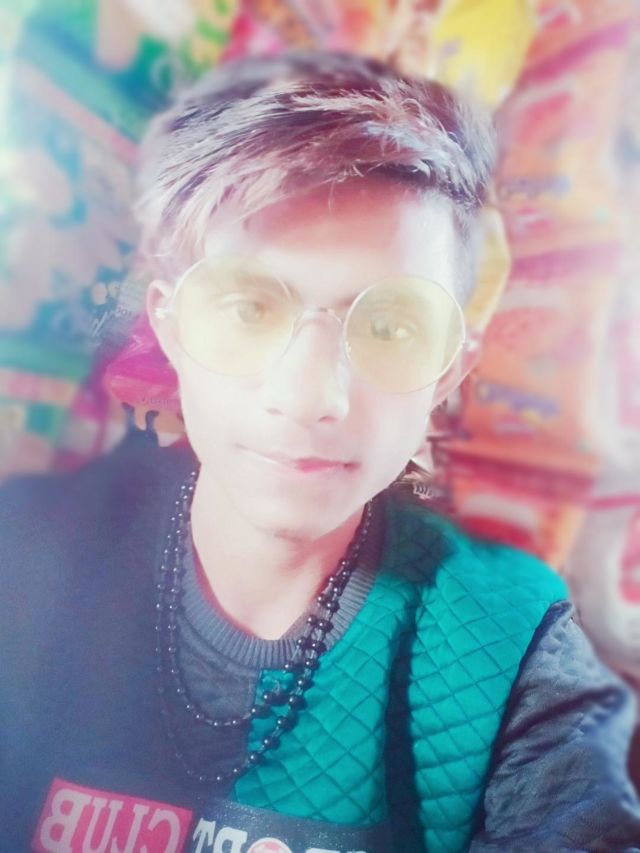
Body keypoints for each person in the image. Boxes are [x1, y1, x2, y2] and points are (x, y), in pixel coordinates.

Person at [1, 50, 639, 853]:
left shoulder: (507, 640)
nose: (310, 396)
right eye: (248, 308)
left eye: (391, 325)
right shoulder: (26, 554)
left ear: (448, 370)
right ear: (172, 329)